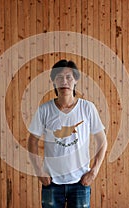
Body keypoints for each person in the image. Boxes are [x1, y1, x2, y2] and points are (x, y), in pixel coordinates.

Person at [28, 59, 108, 208]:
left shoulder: (88, 108)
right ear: (53, 81)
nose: (64, 81)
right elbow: (32, 141)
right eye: (59, 77)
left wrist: (94, 171)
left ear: (76, 80)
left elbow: (102, 141)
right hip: (52, 183)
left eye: (69, 77)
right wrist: (39, 171)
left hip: (80, 183)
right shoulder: (44, 110)